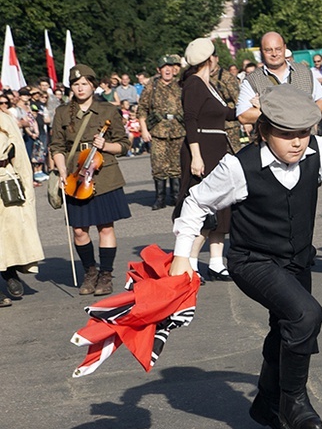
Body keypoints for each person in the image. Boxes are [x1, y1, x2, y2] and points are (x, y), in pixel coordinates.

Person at [170, 84, 322, 429]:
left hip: (297, 261)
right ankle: (293, 401)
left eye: (303, 132)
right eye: (286, 134)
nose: (297, 142)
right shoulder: (239, 167)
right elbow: (196, 203)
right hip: (252, 260)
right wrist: (181, 256)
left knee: (288, 327)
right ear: (264, 131)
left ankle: (266, 402)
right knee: (305, 315)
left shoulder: (321, 150)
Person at [50, 64, 131, 296]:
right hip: (76, 175)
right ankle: (90, 271)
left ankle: (106, 275)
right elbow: (56, 146)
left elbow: (124, 145)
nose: (80, 88)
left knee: (105, 227)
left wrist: (106, 146)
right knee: (79, 231)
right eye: (76, 84)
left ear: (93, 85)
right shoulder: (62, 113)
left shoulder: (107, 110)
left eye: (84, 83)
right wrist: (62, 171)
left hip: (104, 174)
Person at [174, 37, 236, 282]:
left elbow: (225, 114)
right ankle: (189, 261)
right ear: (210, 59)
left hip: (217, 147)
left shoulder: (210, 85)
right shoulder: (194, 84)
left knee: (220, 205)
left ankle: (216, 262)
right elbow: (191, 120)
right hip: (202, 148)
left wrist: (249, 109)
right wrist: (196, 156)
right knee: (201, 208)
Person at [0, 111, 44, 306]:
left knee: (9, 233)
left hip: (3, 180)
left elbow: (15, 149)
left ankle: (9, 271)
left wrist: (26, 185)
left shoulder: (4, 118)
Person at [236, 31, 322, 125]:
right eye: (268, 50)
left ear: (285, 48)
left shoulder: (304, 72)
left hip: (306, 135)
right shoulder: (252, 80)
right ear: (261, 52)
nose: (274, 54)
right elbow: (243, 116)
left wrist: (267, 110)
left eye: (278, 49)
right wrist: (286, 114)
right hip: (272, 138)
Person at [137, 55, 185, 210]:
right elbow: (142, 109)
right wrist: (144, 129)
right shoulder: (152, 86)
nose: (168, 70)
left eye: (170, 67)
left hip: (178, 129)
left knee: (176, 165)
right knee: (158, 165)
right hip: (158, 131)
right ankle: (160, 198)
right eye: (164, 67)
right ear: (159, 70)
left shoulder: (180, 85)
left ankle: (176, 196)